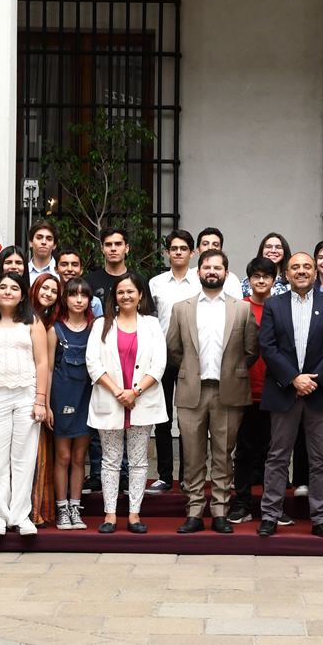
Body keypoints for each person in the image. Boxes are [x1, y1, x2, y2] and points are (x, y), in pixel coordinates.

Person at [167, 249, 259, 534]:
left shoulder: (241, 309)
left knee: (223, 454)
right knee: (192, 456)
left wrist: (232, 371)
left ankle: (219, 510)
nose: (211, 272)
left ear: (226, 273)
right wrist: (191, 372)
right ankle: (194, 511)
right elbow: (173, 349)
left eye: (217, 268)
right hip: (192, 391)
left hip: (228, 391)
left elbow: (251, 350)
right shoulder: (181, 308)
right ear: (199, 272)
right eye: (207, 267)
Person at [256, 252, 323, 539]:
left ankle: (320, 519)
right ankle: (270, 515)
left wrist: (313, 380)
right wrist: (294, 378)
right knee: (277, 456)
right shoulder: (274, 304)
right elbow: (267, 346)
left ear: (315, 271)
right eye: (296, 267)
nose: (302, 271)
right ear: (287, 273)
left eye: (307, 266)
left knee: (320, 459)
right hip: (285, 392)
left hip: (319, 394)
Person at [0, 272, 51, 536]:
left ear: (23, 294)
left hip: (26, 394)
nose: (7, 291)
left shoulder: (33, 322)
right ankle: (0, 514)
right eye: (2, 287)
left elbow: (42, 363)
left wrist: (40, 400)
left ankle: (21, 515)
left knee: (24, 457)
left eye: (14, 288)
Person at [86, 273, 165, 534]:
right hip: (111, 399)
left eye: (131, 291)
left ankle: (134, 514)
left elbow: (159, 364)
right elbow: (93, 363)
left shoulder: (152, 325)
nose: (126, 296)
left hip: (142, 401)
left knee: (139, 461)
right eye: (121, 292)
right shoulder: (101, 325)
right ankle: (110, 514)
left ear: (141, 295)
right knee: (110, 460)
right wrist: (120, 392)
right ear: (114, 297)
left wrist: (136, 391)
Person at [148, 229, 201, 494]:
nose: (178, 252)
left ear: (193, 253)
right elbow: (148, 320)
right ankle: (165, 476)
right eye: (173, 248)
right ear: (167, 253)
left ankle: (188, 477)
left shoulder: (201, 281)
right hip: (162, 356)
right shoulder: (156, 283)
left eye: (183, 248)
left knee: (189, 419)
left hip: (193, 357)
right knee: (163, 419)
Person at [228, 257, 277, 525]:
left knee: (273, 451)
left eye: (266, 276)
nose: (261, 281)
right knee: (244, 450)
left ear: (274, 280)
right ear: (249, 280)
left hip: (274, 389)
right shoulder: (239, 309)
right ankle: (242, 502)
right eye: (256, 276)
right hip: (243, 390)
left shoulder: (280, 307)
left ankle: (273, 505)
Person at [51, 277, 94, 530]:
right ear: (64, 298)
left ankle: (75, 507)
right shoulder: (54, 329)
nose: (78, 300)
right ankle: (61, 508)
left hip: (87, 396)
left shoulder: (95, 328)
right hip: (61, 395)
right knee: (63, 456)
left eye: (83, 295)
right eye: (73, 295)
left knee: (80, 456)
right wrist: (44, 403)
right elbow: (45, 368)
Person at [28, 273, 62, 525]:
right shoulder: (19, 316)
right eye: (45, 288)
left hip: (38, 392)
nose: (48, 293)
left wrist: (46, 402)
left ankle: (35, 509)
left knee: (37, 452)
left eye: (54, 291)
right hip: (12, 387)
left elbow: (47, 367)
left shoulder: (52, 325)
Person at [86, 228, 133, 305]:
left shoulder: (139, 280)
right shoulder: (89, 281)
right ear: (102, 249)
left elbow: (147, 312)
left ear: (127, 248)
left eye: (118, 244)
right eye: (108, 245)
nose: (113, 249)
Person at [55, 248, 104, 319]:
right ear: (56, 270)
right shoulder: (50, 297)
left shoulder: (94, 303)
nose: (70, 269)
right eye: (64, 264)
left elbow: (99, 327)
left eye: (74, 265)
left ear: (81, 270)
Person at [197, 227, 244, 297]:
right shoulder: (188, 277)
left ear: (220, 250)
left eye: (215, 244)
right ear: (198, 249)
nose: (210, 247)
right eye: (205, 244)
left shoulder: (232, 280)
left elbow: (237, 306)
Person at [242, 232, 292, 298]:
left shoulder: (292, 281)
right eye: (268, 247)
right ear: (262, 250)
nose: (273, 251)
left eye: (278, 247)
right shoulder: (245, 283)